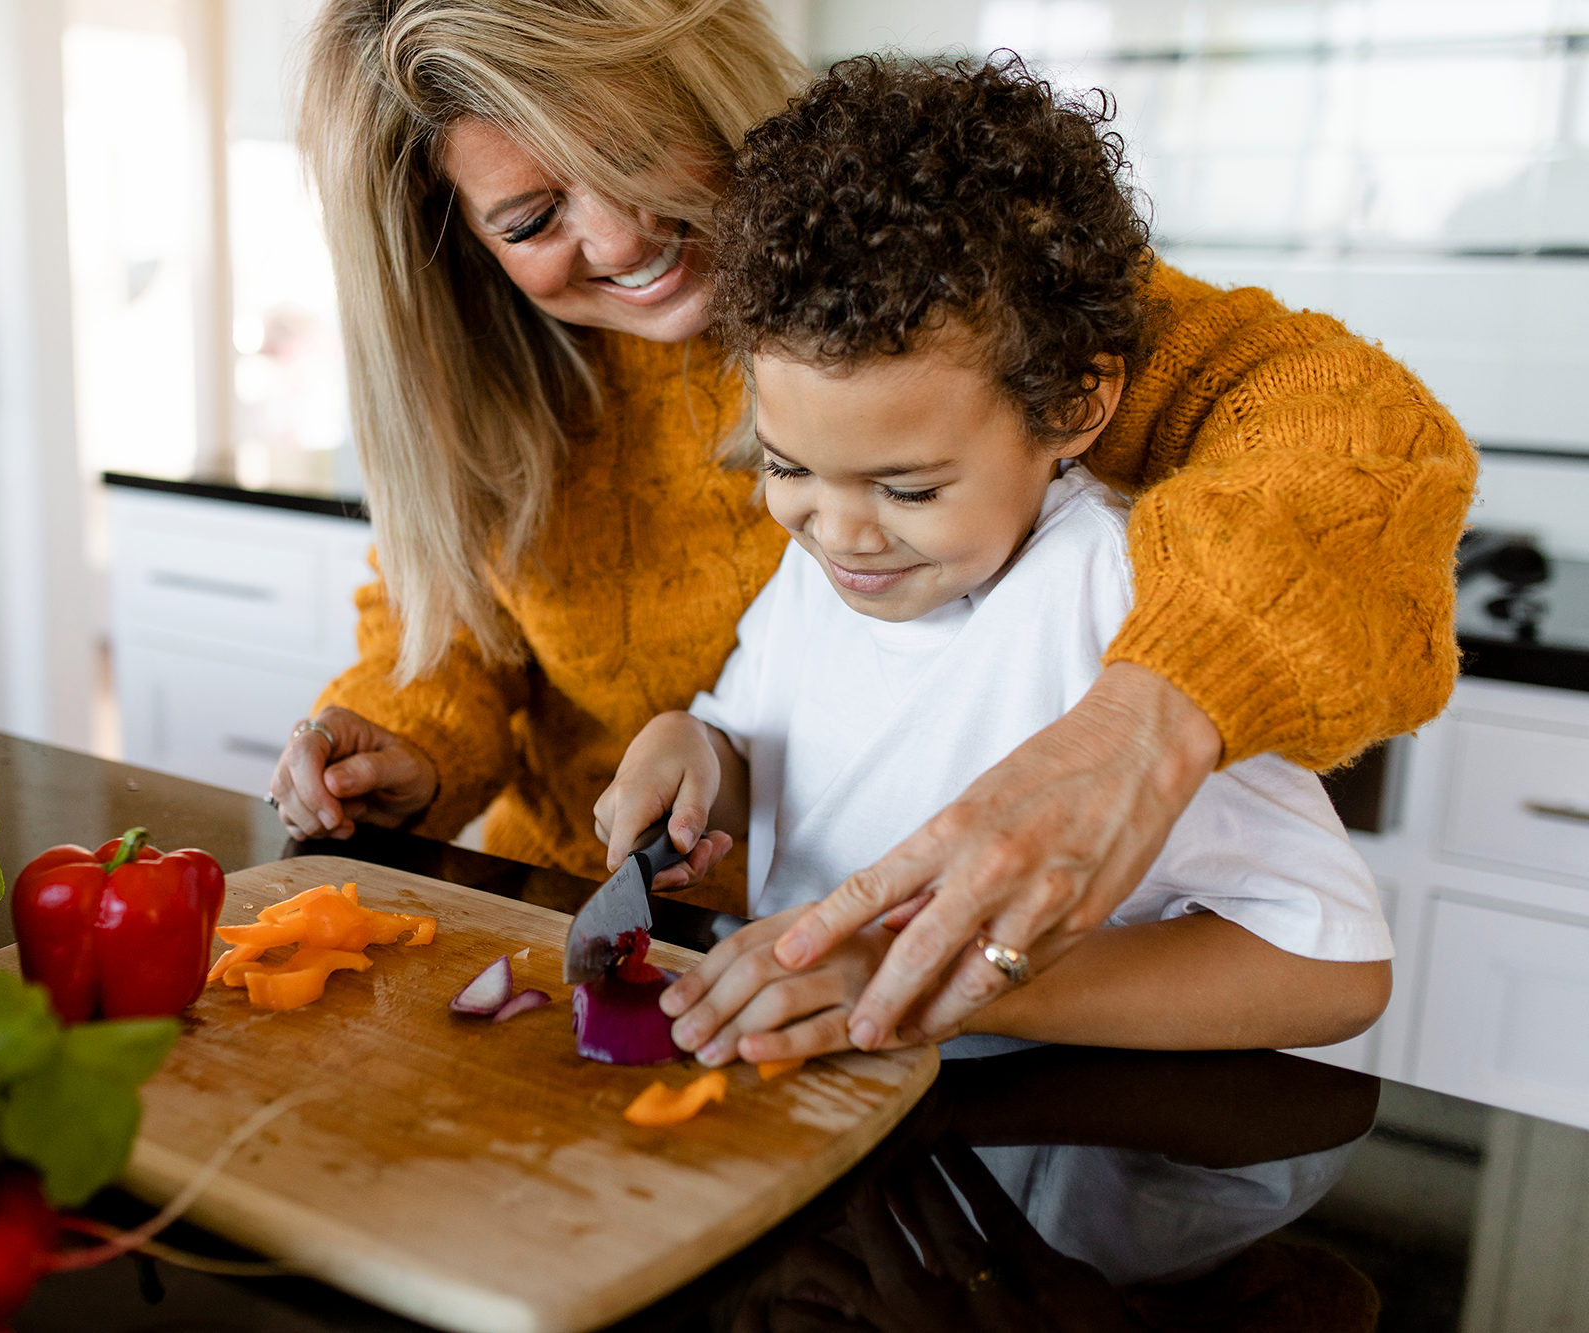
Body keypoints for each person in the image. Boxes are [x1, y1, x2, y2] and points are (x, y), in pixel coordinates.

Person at [272, 0, 1472, 1049]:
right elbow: (468, 628)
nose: (621, 238)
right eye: (531, 220)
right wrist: (407, 740)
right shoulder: (497, 374)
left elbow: (1355, 441)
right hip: (661, 949)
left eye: (633, 151)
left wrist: (1148, 719)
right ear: (458, 246)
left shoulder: (949, 293)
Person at [595, 55, 1393, 1066]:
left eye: (908, 489)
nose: (838, 531)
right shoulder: (828, 562)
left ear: (1071, 406)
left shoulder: (1125, 598)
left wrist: (932, 983)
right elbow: (791, 765)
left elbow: (1328, 969)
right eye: (787, 466)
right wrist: (698, 755)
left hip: (1044, 1168)